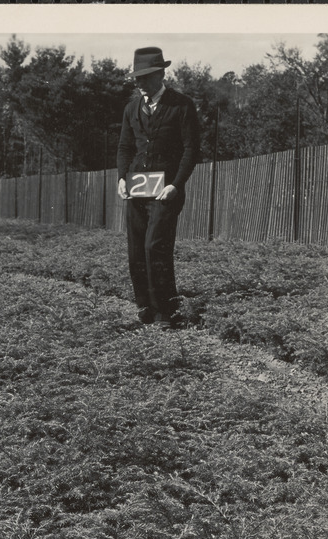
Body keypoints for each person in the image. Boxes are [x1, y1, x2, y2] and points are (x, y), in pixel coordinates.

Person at [116, 47, 201, 328]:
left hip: (166, 192)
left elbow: (191, 149)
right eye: (136, 78)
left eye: (144, 78)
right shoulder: (132, 108)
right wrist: (121, 178)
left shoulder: (181, 105)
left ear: (160, 74)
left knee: (156, 248)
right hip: (137, 189)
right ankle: (145, 310)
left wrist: (176, 184)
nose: (138, 83)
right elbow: (125, 147)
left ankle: (167, 312)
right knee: (136, 250)